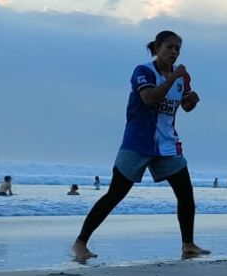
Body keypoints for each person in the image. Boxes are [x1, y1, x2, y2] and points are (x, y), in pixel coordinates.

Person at [71, 30, 209, 261]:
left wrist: (191, 101)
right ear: (157, 48)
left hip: (167, 144)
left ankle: (188, 244)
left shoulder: (182, 77)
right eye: (169, 47)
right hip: (138, 142)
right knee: (115, 194)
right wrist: (172, 79)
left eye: (178, 49)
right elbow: (149, 99)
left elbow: (184, 106)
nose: (174, 52)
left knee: (186, 194)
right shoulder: (144, 71)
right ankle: (80, 242)